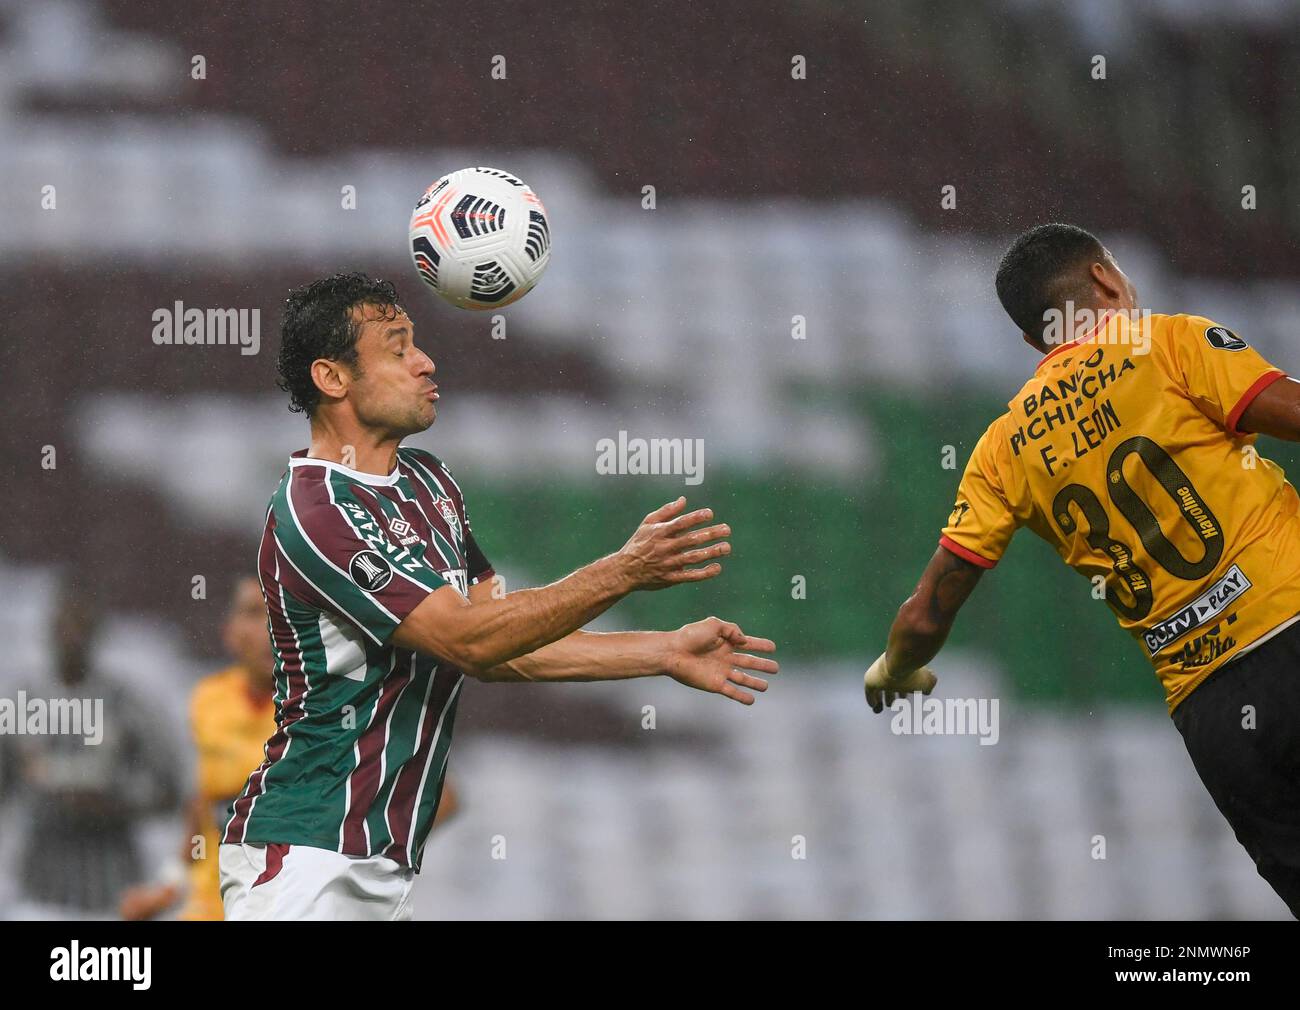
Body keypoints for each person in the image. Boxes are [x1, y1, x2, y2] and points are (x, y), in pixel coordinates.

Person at [218, 273, 778, 920]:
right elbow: (466, 638)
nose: (426, 362)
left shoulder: (430, 483)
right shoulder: (313, 510)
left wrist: (663, 651)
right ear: (333, 379)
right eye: (398, 349)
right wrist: (621, 572)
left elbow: (496, 648)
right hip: (304, 851)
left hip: (378, 855)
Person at [865, 223, 1300, 918]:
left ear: (1034, 339)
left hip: (1214, 717)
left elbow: (926, 614)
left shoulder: (1003, 450)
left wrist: (893, 668)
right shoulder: (1168, 342)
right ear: (1104, 280)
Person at [0, 583, 179, 919]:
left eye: (81, 626)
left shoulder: (127, 705)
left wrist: (116, 803)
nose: (72, 636)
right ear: (50, 630)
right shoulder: (22, 704)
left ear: (97, 633)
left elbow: (169, 789)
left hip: (113, 887)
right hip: (40, 887)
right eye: (64, 624)